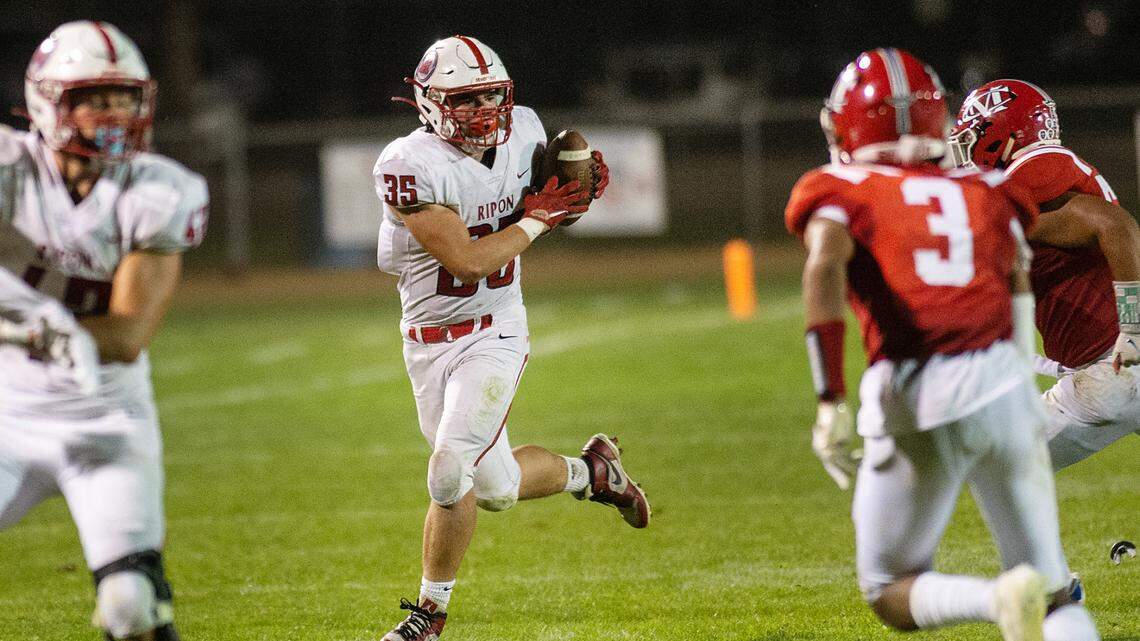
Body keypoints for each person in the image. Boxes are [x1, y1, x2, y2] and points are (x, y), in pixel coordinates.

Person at [785, 49, 1099, 641]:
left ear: (848, 123)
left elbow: (823, 269)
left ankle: (993, 600)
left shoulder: (840, 186)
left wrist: (829, 397)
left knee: (887, 587)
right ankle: (1036, 600)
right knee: (1055, 592)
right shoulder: (989, 188)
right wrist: (1015, 367)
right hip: (1003, 388)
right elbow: (1017, 274)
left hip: (916, 392)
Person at [373, 35, 649, 641]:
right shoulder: (409, 163)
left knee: (449, 470)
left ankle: (429, 617)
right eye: (465, 99)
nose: (483, 110)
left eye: (491, 95)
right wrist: (540, 218)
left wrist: (570, 201)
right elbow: (467, 259)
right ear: (428, 103)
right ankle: (593, 474)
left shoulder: (526, 131)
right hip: (426, 341)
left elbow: (551, 209)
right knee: (494, 487)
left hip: (496, 328)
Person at [0, 21, 209, 640]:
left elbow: (125, 335)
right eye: (94, 98)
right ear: (48, 100)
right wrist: (27, 322)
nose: (114, 114)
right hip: (6, 414)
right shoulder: (9, 169)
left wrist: (54, 331)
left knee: (129, 606)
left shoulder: (158, 189)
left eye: (124, 98)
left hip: (105, 421)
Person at [949, 79, 1140, 470]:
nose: (964, 152)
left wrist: (1132, 328)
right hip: (1115, 365)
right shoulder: (1035, 196)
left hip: (1115, 369)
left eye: (972, 138)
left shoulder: (1034, 169)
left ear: (1005, 135)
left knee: (988, 461)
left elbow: (1116, 225)